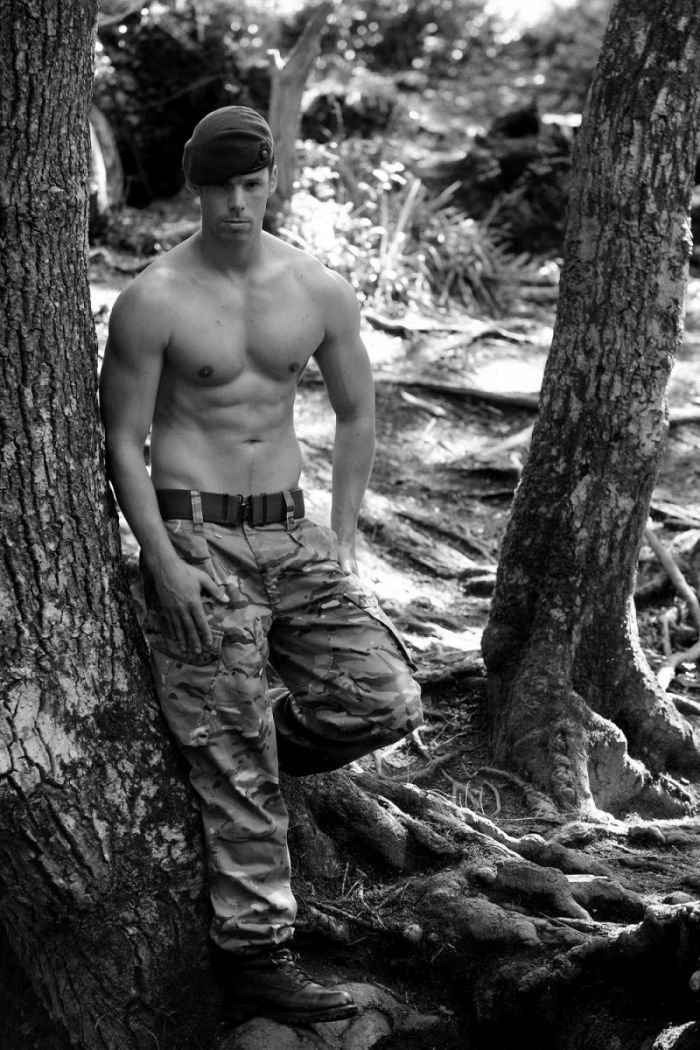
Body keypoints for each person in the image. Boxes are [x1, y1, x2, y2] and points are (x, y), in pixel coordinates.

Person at [99, 105, 423, 1026]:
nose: (236, 202)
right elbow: (123, 442)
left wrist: (343, 535)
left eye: (251, 183)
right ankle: (258, 957)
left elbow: (357, 413)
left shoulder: (317, 288)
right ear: (195, 186)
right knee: (237, 756)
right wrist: (160, 559)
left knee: (386, 700)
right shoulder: (153, 299)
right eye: (219, 186)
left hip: (290, 532)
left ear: (272, 179)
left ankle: (226, 747)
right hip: (196, 540)